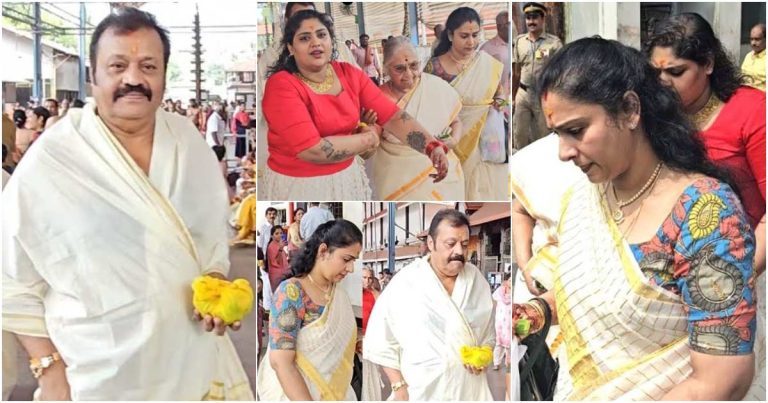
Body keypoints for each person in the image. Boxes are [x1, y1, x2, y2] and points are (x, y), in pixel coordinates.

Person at [1, 8, 252, 400]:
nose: (133, 79)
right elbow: (12, 278)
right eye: (117, 65)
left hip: (191, 364)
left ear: (165, 75)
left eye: (148, 66)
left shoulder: (188, 143)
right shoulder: (52, 159)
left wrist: (216, 285)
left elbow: (209, 240)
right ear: (93, 75)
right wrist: (48, 369)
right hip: (95, 377)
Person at [513, 36, 760, 400]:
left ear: (629, 110)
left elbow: (724, 377)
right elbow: (585, 296)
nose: (563, 152)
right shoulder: (584, 197)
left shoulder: (705, 214)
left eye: (577, 131)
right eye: (557, 135)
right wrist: (535, 311)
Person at [261, 10, 449, 200]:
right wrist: (368, 140)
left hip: (346, 179)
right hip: (300, 186)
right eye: (304, 38)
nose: (316, 42)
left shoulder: (348, 73)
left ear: (331, 41)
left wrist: (431, 147)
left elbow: (391, 115)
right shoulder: (281, 85)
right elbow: (311, 150)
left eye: (321, 35)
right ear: (291, 48)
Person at [647, 13, 765, 276]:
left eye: (676, 71)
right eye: (656, 73)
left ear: (708, 64)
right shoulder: (655, 116)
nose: (663, 83)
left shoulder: (753, 111)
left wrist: (738, 278)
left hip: (741, 263)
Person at [365, 209, 495, 400]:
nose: (459, 251)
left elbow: (488, 335)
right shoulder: (407, 281)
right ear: (431, 243)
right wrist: (398, 385)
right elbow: (381, 339)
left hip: (468, 389)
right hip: (421, 391)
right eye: (451, 244)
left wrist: (484, 354)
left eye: (465, 245)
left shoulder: (476, 280)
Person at [258, 220, 362, 400]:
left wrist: (355, 345)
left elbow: (333, 346)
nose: (350, 269)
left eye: (354, 261)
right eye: (346, 259)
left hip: (337, 393)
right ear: (323, 251)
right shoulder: (291, 293)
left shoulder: (340, 295)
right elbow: (281, 363)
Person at [367, 36, 466, 200]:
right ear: (385, 69)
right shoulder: (378, 97)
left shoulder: (435, 86)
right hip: (398, 178)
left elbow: (456, 121)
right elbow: (372, 141)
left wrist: (453, 141)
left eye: (413, 66)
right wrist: (366, 129)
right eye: (399, 68)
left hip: (443, 167)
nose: (409, 74)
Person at [425, 7, 508, 200]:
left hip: (484, 135)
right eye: (464, 36)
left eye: (475, 35)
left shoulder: (487, 63)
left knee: (481, 187)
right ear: (451, 35)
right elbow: (428, 104)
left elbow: (500, 94)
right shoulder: (435, 67)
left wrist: (499, 104)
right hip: (449, 136)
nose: (471, 42)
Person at [512, 2, 562, 150]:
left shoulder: (554, 44)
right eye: (528, 18)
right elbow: (516, 71)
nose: (531, 22)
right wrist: (513, 97)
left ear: (543, 19)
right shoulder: (520, 42)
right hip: (523, 93)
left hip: (543, 95)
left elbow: (559, 73)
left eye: (535, 18)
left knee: (544, 135)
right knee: (519, 134)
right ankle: (520, 170)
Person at [361, 266, 382, 401]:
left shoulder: (375, 294)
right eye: (364, 278)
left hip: (369, 341)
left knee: (369, 380)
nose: (367, 281)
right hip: (354, 339)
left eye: (370, 278)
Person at [480, 11, 511, 95]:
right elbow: (480, 78)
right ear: (499, 27)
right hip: (498, 100)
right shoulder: (487, 48)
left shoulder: (517, 43)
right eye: (509, 23)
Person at [491, 273, 511, 371]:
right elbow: (493, 300)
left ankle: (508, 364)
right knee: (499, 344)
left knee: (508, 345)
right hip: (500, 323)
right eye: (510, 280)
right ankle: (496, 363)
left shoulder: (513, 294)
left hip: (509, 324)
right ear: (506, 281)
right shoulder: (499, 292)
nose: (511, 282)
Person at [742, 23, 766, 91]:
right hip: (746, 94)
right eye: (751, 39)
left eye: (757, 39)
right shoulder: (748, 56)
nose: (753, 43)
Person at [266, 226, 290, 293]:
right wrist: (280, 249)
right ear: (272, 236)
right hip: (277, 275)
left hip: (283, 274)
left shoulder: (279, 244)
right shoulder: (271, 246)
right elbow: (275, 262)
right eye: (277, 233)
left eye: (281, 233)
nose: (280, 235)